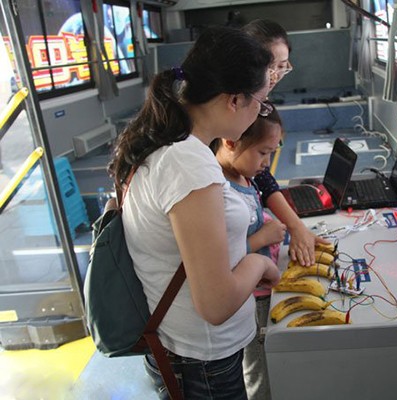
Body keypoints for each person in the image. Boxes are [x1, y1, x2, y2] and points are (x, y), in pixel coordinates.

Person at [108, 26, 280, 400]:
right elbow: (215, 304)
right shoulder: (189, 162)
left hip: (186, 350)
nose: (260, 113)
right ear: (234, 100)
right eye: (261, 103)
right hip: (203, 362)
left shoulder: (164, 141)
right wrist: (261, 266)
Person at [212, 105, 287, 400]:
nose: (267, 163)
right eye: (262, 153)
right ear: (230, 142)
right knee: (258, 371)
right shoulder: (219, 191)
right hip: (249, 297)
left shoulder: (244, 178)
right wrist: (260, 239)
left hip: (263, 286)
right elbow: (219, 257)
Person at [242, 19, 330, 268]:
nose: (275, 76)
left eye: (282, 67)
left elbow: (263, 177)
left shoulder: (259, 103)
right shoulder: (237, 113)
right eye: (271, 67)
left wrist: (296, 226)